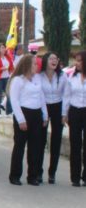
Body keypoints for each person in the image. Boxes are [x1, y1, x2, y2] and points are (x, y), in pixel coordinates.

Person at [7, 54, 47, 186]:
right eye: (34, 64)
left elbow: (41, 97)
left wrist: (44, 115)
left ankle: (33, 176)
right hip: (23, 113)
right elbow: (14, 100)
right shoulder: (18, 80)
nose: (37, 66)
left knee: (35, 146)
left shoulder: (37, 79)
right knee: (19, 146)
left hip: (36, 114)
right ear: (27, 65)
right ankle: (15, 175)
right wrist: (21, 119)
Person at [38, 52, 66, 184]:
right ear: (45, 61)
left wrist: (64, 113)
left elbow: (66, 95)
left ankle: (52, 173)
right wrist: (44, 114)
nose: (54, 61)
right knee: (41, 140)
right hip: (43, 106)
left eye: (56, 58)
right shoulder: (39, 76)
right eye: (52, 58)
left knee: (56, 140)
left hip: (58, 107)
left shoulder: (62, 75)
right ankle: (38, 172)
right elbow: (39, 95)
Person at [65, 50, 86, 187]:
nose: (77, 63)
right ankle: (75, 177)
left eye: (79, 61)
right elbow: (66, 96)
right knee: (75, 144)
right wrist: (64, 114)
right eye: (76, 60)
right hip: (74, 111)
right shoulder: (71, 76)